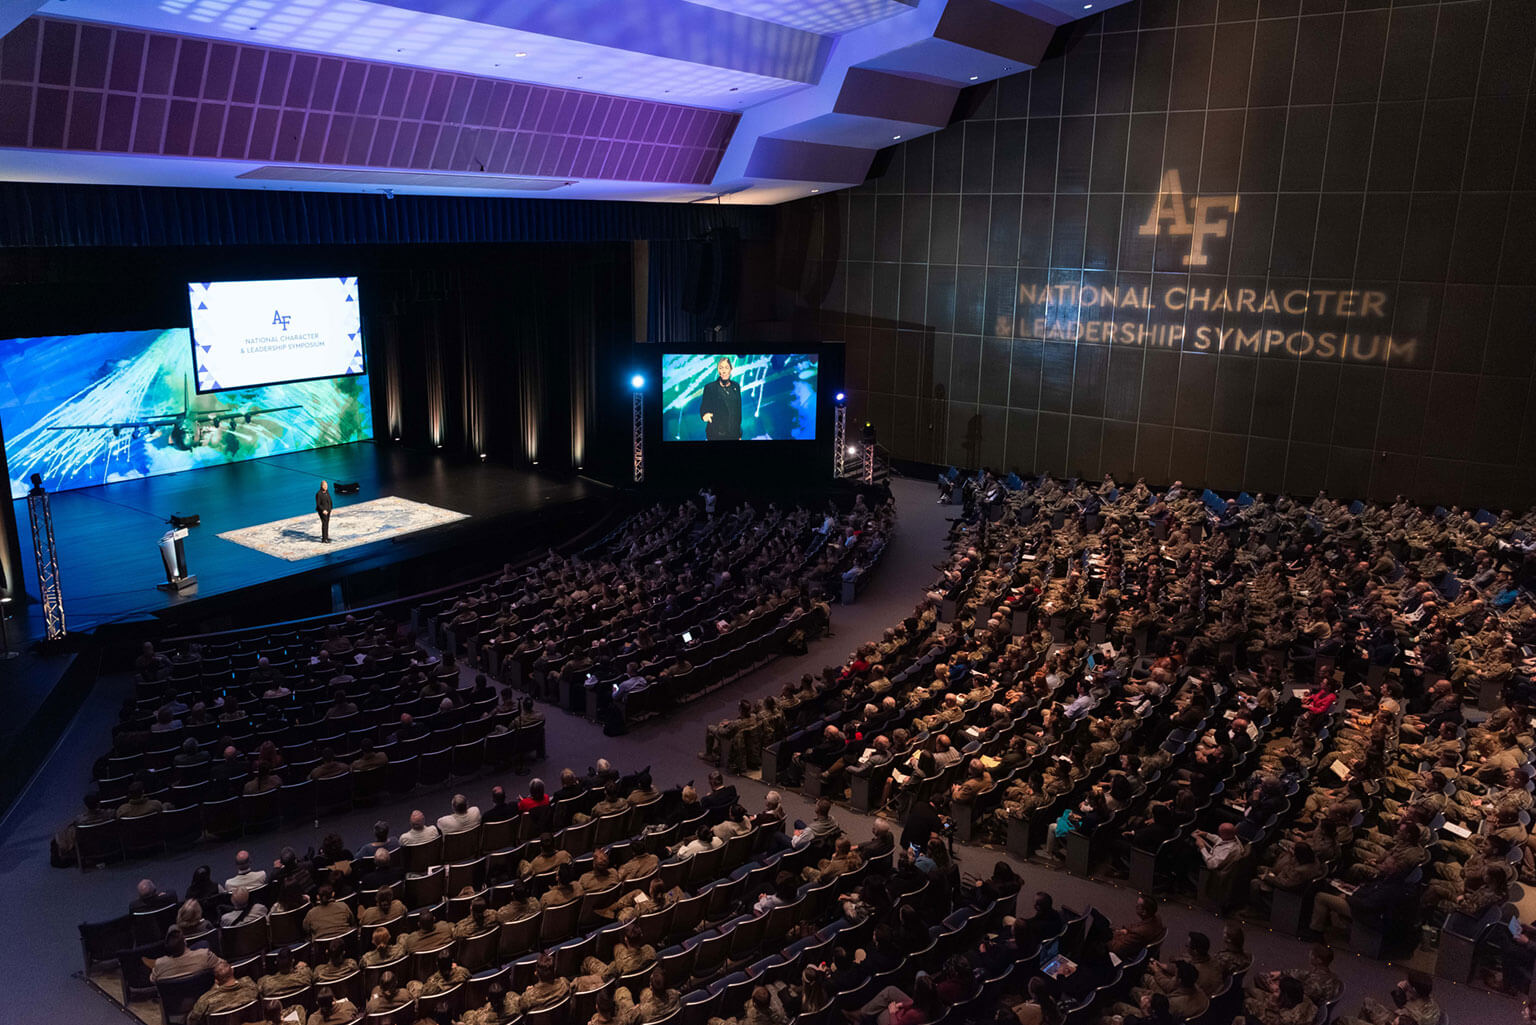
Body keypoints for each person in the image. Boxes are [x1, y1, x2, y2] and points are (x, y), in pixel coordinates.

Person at [185, 959, 258, 1025]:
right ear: (232, 970)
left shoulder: (206, 1001)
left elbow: (191, 1021)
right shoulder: (250, 985)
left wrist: (213, 989)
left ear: (216, 980)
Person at [150, 927, 218, 982]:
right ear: (185, 942)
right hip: (207, 996)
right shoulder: (205, 955)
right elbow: (222, 967)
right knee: (203, 943)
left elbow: (153, 980)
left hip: (176, 998)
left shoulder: (159, 964)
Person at [699, 357, 743, 440]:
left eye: (726, 367)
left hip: (733, 434)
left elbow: (738, 411)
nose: (724, 371)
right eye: (721, 368)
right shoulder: (710, 388)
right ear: (718, 370)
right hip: (716, 434)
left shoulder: (736, 386)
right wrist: (705, 415)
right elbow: (704, 407)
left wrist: (739, 433)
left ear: (731, 369)